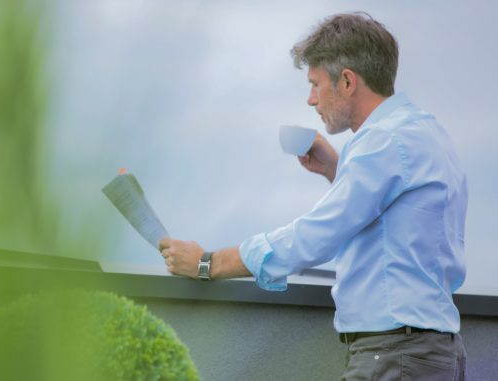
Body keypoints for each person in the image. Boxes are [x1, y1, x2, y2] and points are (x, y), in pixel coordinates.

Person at [159, 12, 468, 381]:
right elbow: (396, 222)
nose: (310, 99)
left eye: (315, 84)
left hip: (395, 356)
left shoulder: (382, 142)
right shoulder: (424, 131)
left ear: (348, 81)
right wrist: (337, 170)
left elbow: (315, 235)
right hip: (426, 351)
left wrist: (209, 262)